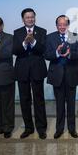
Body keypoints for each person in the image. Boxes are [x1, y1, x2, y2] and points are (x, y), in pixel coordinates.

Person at [45, 15, 78, 139]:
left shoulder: (76, 36)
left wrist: (70, 54)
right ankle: (59, 129)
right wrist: (57, 52)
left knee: (71, 105)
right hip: (57, 76)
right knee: (59, 104)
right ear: (56, 25)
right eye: (59, 24)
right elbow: (46, 55)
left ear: (68, 25)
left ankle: (72, 129)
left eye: (64, 24)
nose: (62, 27)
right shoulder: (50, 37)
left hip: (72, 74)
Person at [13, 8, 48, 140]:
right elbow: (15, 51)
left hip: (37, 69)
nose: (30, 19)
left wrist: (33, 42)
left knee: (39, 99)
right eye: (27, 17)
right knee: (24, 100)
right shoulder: (17, 32)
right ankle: (28, 128)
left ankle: (41, 128)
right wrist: (24, 43)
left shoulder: (42, 31)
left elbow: (43, 50)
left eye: (32, 17)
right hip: (22, 70)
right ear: (23, 19)